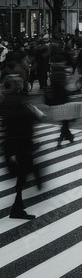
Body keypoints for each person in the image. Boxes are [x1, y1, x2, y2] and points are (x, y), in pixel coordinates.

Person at [0, 79, 43, 219]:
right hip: (22, 144)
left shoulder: (5, 102)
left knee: (23, 173)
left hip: (11, 145)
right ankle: (17, 208)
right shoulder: (20, 103)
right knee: (23, 174)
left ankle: (18, 205)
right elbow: (29, 121)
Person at [47, 50, 76, 149]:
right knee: (66, 119)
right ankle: (61, 138)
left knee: (65, 120)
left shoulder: (53, 71)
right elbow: (66, 85)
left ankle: (69, 136)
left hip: (55, 98)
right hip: (63, 97)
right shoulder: (62, 72)